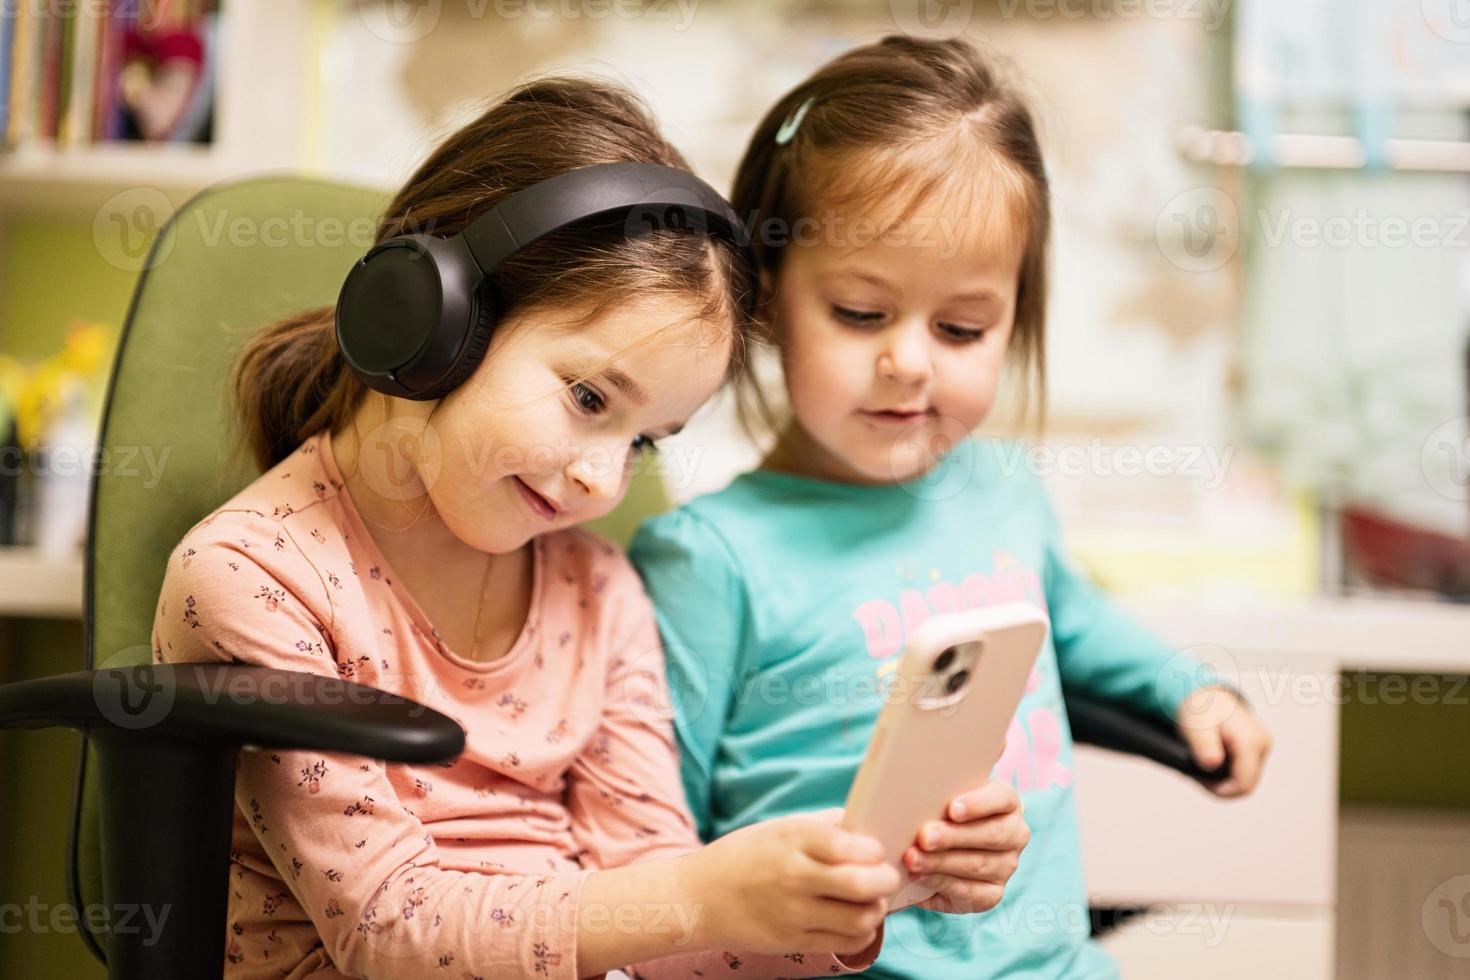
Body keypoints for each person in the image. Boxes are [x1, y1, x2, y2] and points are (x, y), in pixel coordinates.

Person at [152, 74, 1030, 980]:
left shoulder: (597, 591)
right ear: (432, 317)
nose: (603, 478)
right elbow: (387, 932)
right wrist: (697, 896)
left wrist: (861, 890)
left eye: (644, 440)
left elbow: (655, 920)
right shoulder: (257, 577)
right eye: (587, 397)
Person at [629, 35, 1272, 979]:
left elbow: (1080, 623)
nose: (911, 362)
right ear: (765, 299)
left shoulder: (1004, 490)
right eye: (860, 313)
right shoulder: (709, 559)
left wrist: (1188, 688)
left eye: (963, 328)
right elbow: (651, 843)